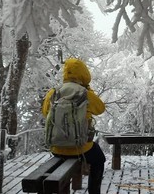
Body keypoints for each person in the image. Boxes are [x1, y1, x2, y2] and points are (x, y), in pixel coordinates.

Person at [41, 58, 106, 194]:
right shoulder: (85, 93)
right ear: (84, 74)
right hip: (82, 149)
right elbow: (100, 109)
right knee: (99, 158)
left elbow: (45, 111)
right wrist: (89, 91)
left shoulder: (54, 92)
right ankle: (94, 192)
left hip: (57, 148)